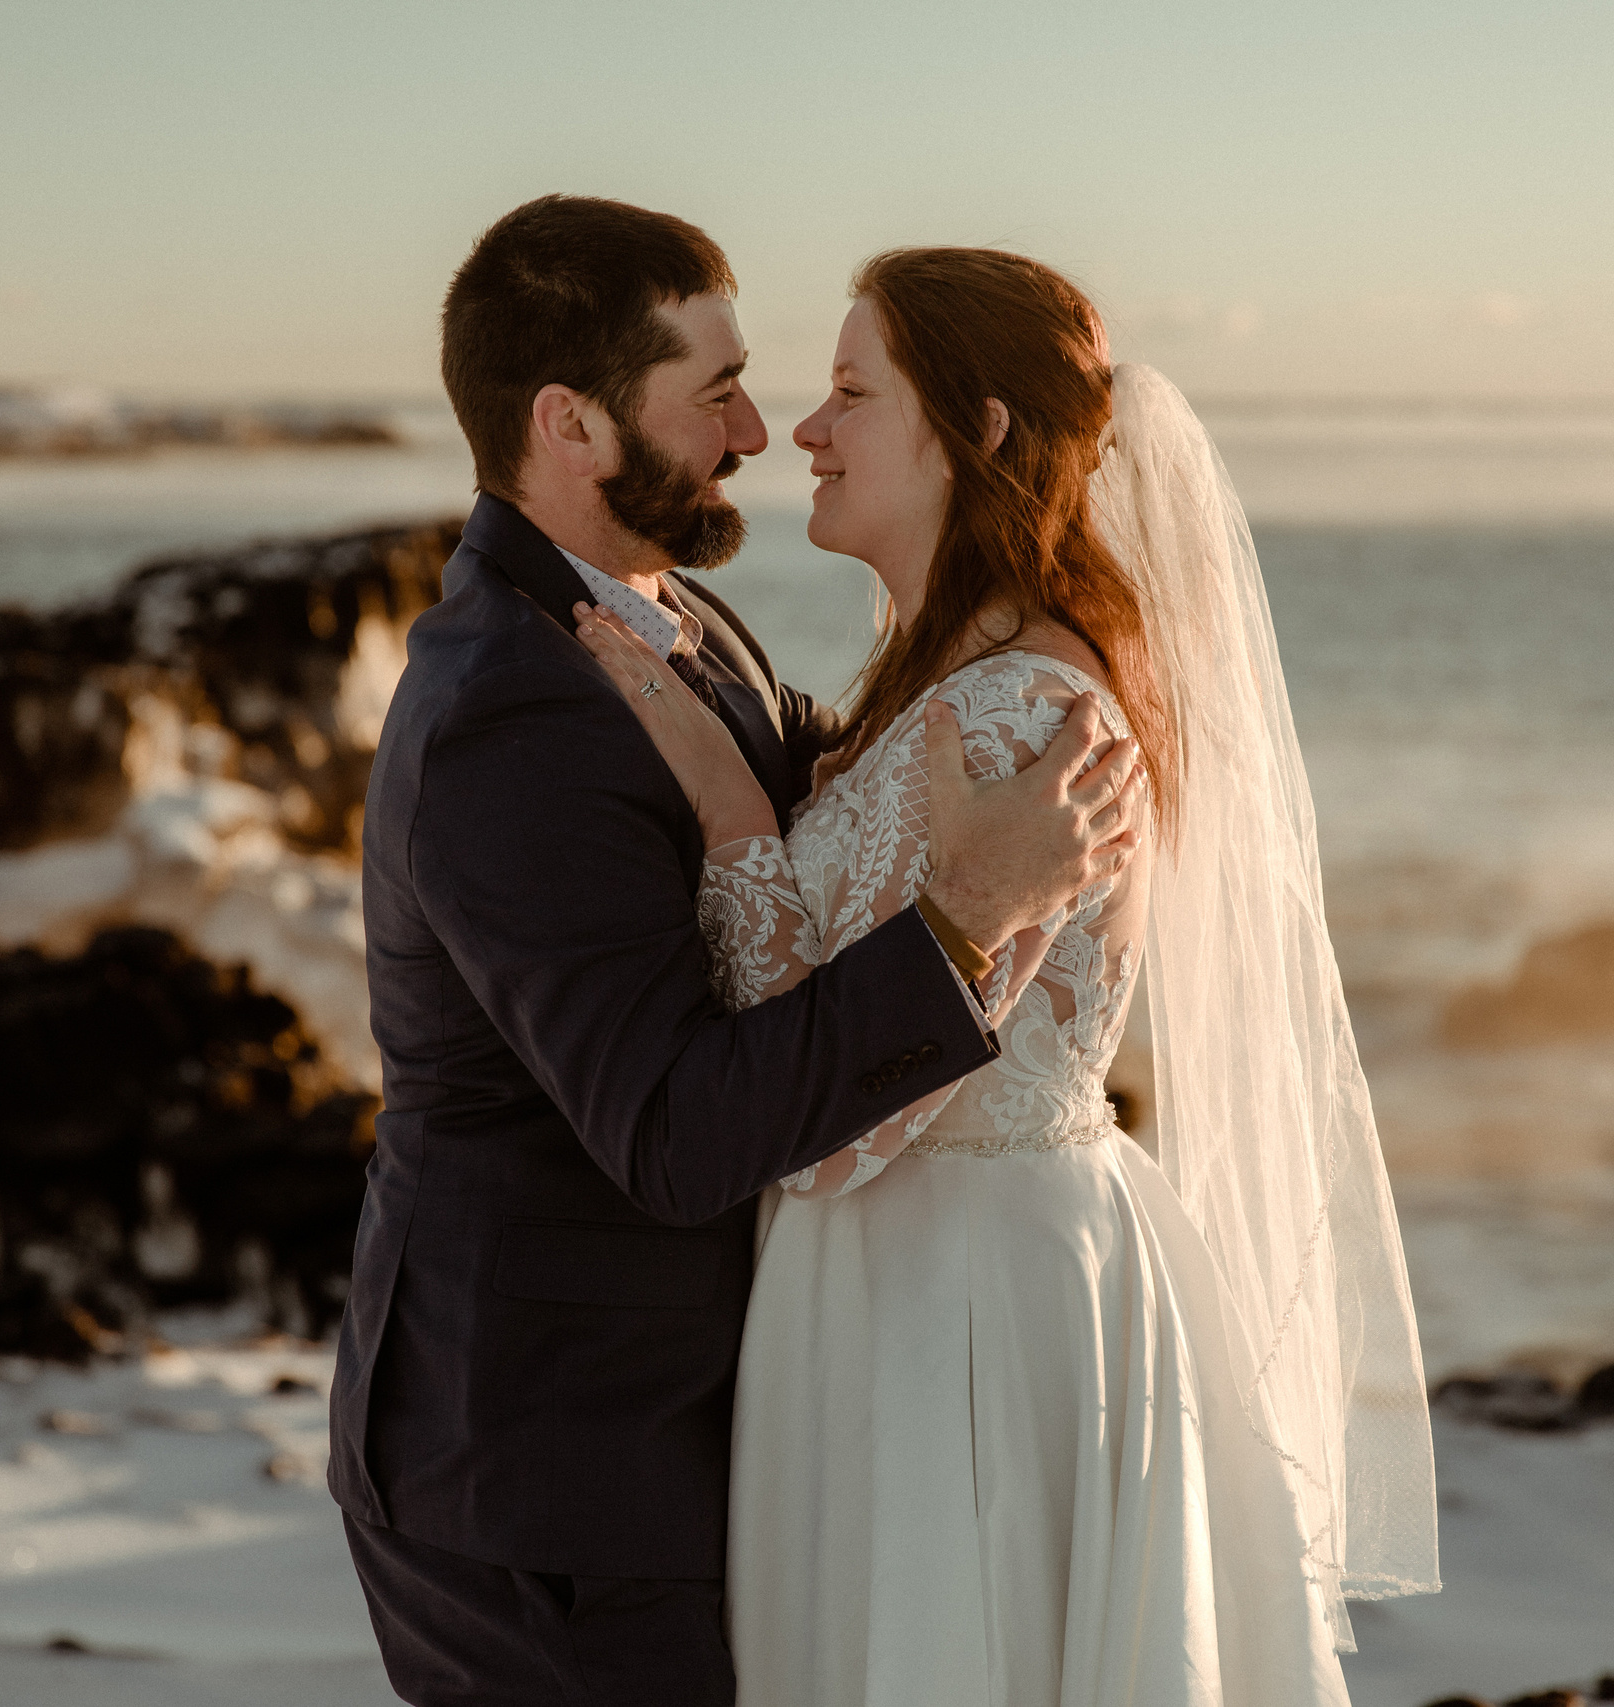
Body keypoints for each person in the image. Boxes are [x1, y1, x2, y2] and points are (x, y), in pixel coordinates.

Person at [575, 247, 1439, 1705]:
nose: (805, 430)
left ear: (975, 429)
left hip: (955, 1306)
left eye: (852, 393)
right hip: (936, 1275)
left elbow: (837, 1127)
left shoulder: (1018, 717)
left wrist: (730, 810)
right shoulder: (958, 685)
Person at [328, 199, 1144, 1707]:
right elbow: (677, 1132)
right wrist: (966, 917)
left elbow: (828, 801)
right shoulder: (513, 710)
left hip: (699, 1442)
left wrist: (995, 678)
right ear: (570, 424)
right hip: (552, 1480)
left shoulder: (674, 618)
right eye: (715, 393)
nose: (761, 433)